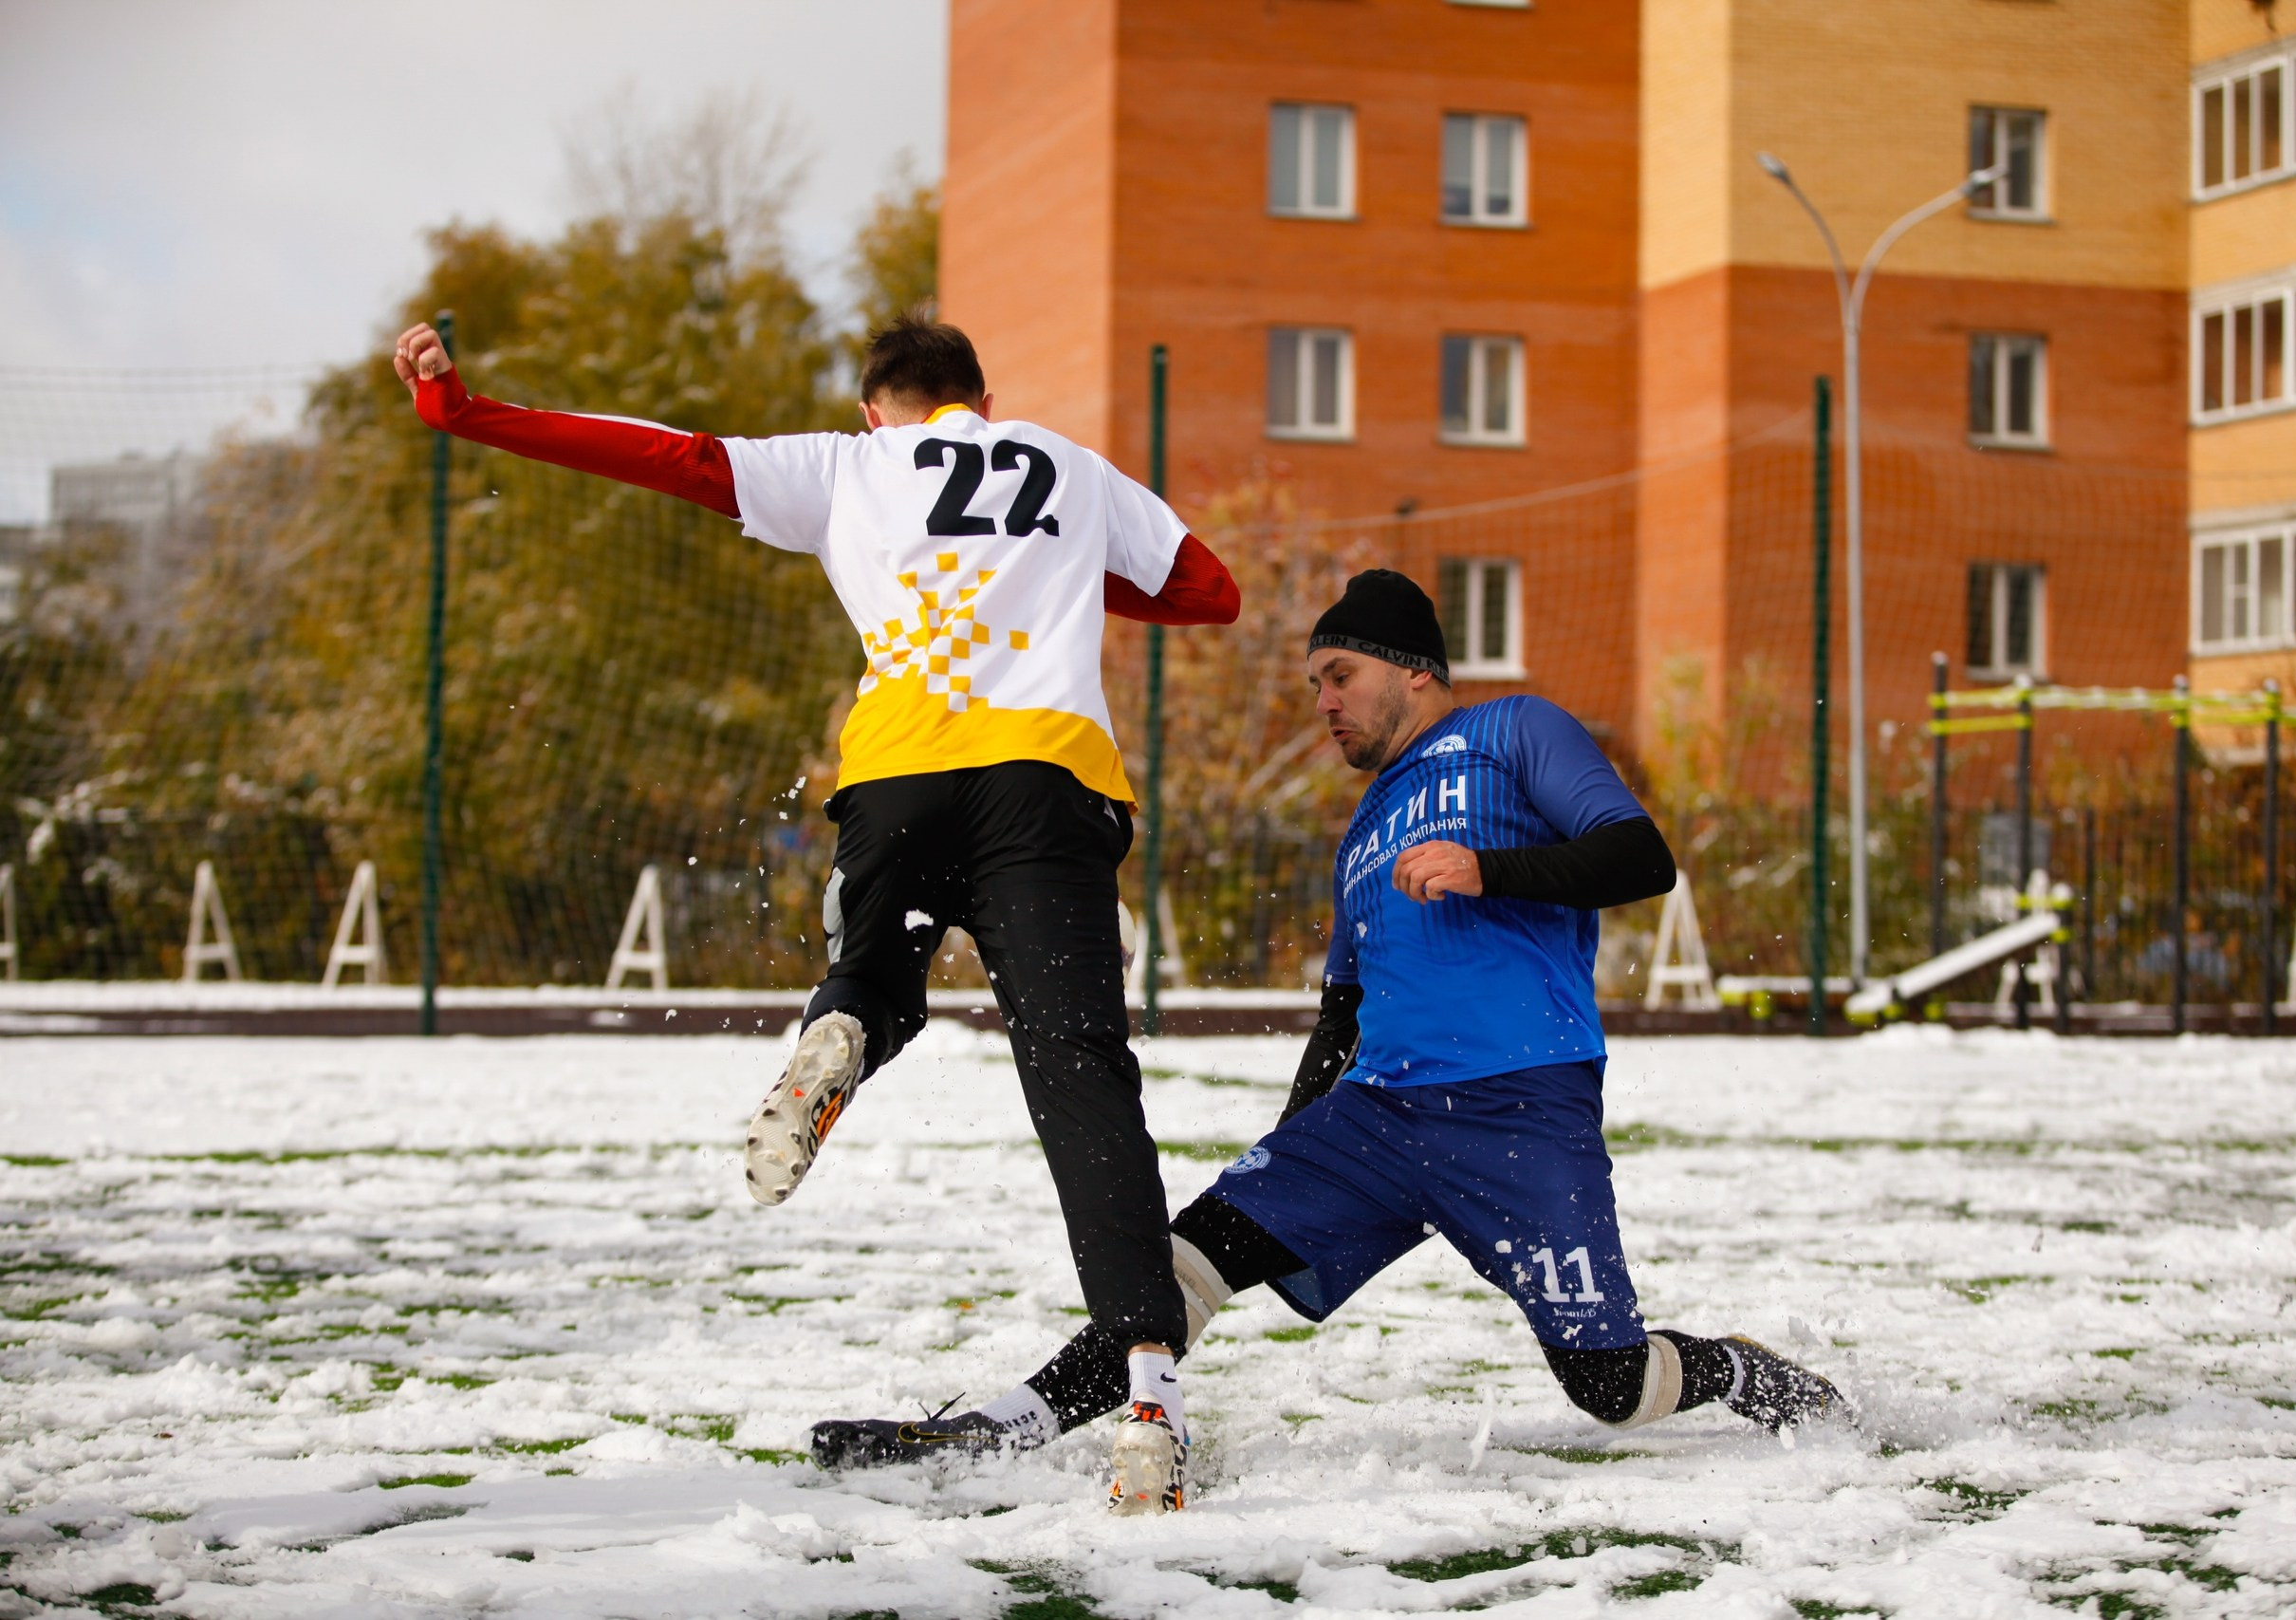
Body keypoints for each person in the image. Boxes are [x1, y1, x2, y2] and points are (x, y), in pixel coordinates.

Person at [391, 314, 1239, 1493]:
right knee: (1081, 1075)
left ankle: (839, 1026)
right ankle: (1149, 1403)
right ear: (983, 402)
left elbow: (673, 455)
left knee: (876, 975)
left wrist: (464, 411)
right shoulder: (1070, 468)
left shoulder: (846, 466)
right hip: (1049, 784)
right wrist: (1051, 568)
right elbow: (1208, 591)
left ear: (872, 410)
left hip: (898, 777)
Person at [810, 569, 1842, 1513]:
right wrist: (1290, 1145)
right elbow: (1341, 1016)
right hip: (1374, 1122)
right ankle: (997, 1430)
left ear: (1414, 671)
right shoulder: (1362, 831)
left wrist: (1488, 868)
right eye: (1315, 683)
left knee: (1610, 1386)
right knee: (1176, 1266)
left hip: (1521, 1112)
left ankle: (1739, 1368)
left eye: (1339, 674)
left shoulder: (1517, 729)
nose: (1324, 701)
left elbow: (1642, 857)